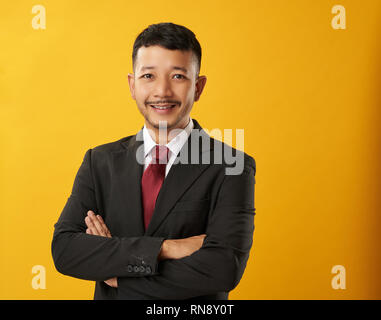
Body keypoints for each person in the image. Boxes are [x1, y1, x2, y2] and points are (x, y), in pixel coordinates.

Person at [51, 22, 256, 300]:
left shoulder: (231, 165)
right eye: (148, 76)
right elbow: (65, 250)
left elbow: (222, 269)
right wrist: (166, 248)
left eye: (178, 77)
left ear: (198, 87)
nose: (162, 91)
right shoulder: (99, 162)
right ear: (132, 85)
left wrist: (117, 275)